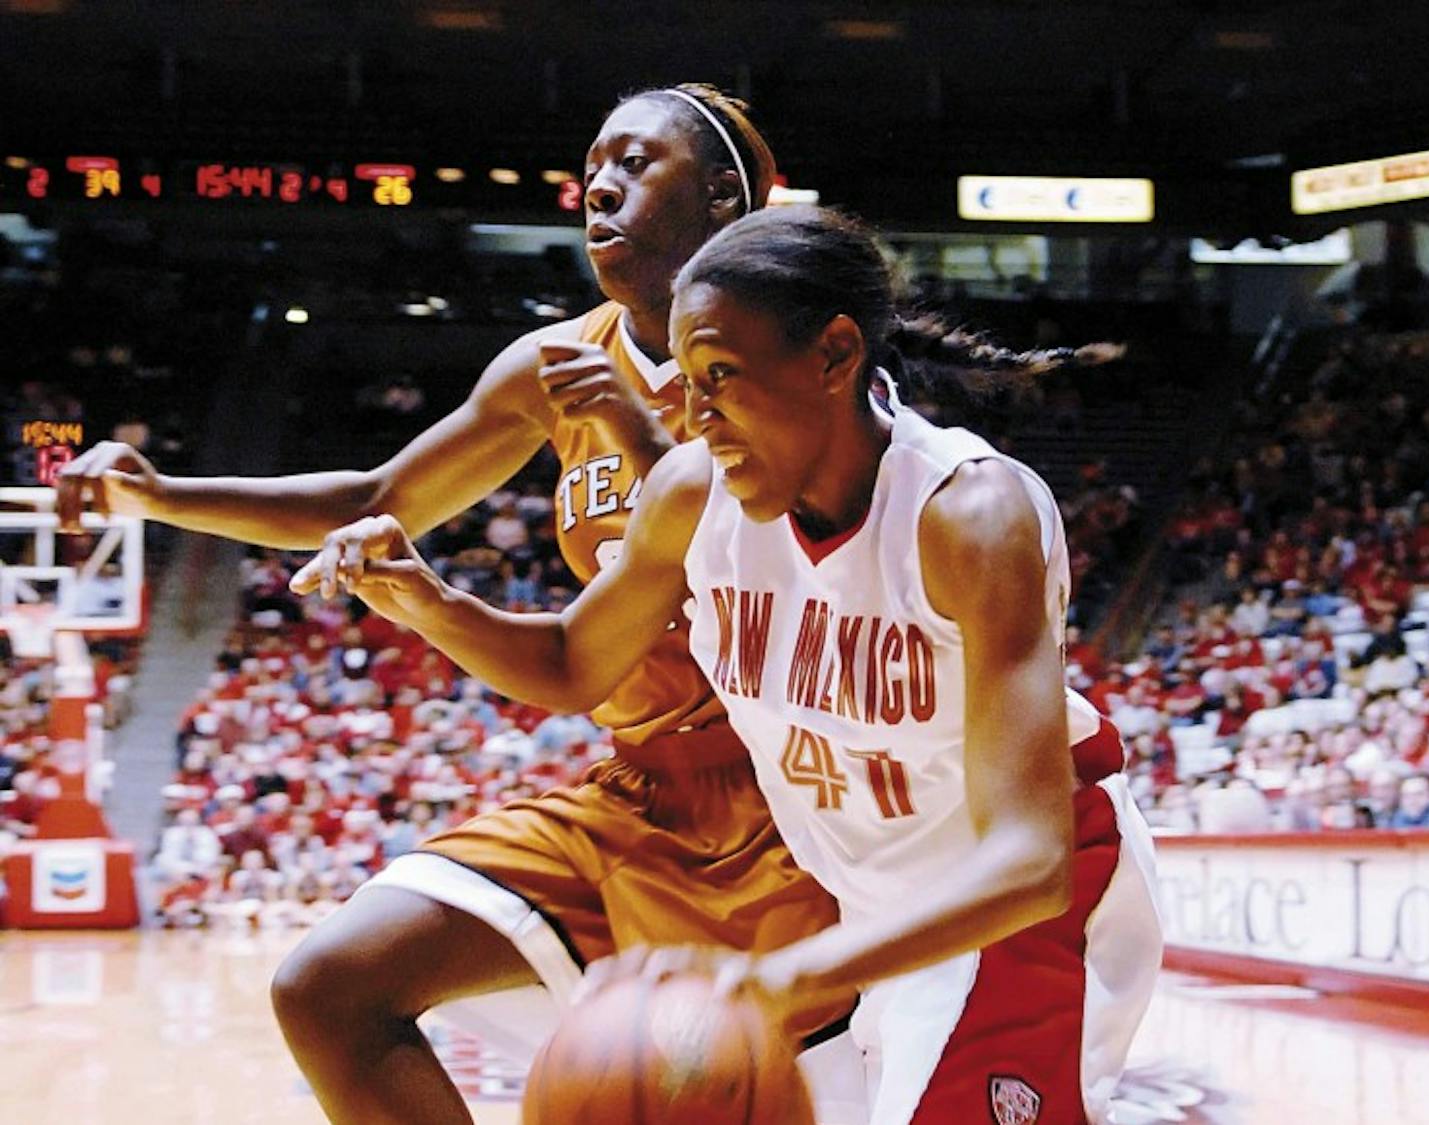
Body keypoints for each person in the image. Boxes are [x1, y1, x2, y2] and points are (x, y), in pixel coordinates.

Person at [56, 84, 845, 1124]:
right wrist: (160, 494)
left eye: (637, 162)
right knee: (329, 986)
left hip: (799, 797)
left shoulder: (798, 361)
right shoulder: (560, 362)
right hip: (639, 788)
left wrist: (641, 438)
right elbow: (379, 496)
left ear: (719, 203)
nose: (597, 183)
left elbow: (783, 560)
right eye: (591, 163)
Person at [294, 206, 1161, 1124]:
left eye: (718, 378)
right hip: (875, 911)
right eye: (682, 380)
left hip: (1018, 917)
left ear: (834, 354)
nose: (688, 414)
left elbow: (1031, 862)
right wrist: (425, 598)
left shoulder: (967, 515)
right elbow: (572, 661)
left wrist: (776, 979)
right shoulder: (693, 491)